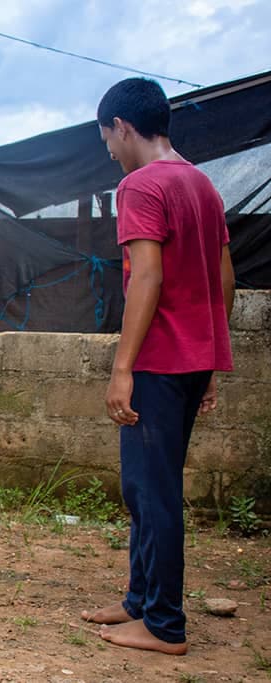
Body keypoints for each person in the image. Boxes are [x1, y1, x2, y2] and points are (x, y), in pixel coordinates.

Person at [81, 78, 234, 654]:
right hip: (191, 360)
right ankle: (139, 601)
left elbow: (147, 276)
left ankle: (165, 624)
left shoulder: (141, 186)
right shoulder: (202, 185)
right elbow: (223, 280)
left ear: (122, 126)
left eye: (108, 142)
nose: (111, 153)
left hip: (159, 362)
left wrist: (123, 367)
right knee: (146, 486)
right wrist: (211, 358)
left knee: (154, 492)